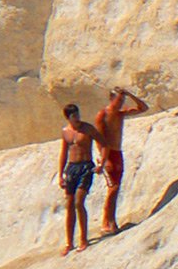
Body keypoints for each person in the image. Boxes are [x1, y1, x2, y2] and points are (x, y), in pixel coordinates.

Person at [94, 86, 149, 236]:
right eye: (119, 100)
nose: (120, 103)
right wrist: (104, 160)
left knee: (116, 187)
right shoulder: (103, 114)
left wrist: (130, 94)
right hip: (108, 153)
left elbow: (143, 108)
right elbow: (99, 138)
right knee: (112, 188)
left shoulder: (120, 114)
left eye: (122, 100)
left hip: (117, 152)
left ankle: (112, 221)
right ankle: (106, 222)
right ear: (112, 99)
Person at [56, 103, 103, 254]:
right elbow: (64, 153)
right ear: (68, 118)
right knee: (69, 204)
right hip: (72, 167)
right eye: (74, 116)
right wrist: (61, 174)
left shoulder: (87, 128)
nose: (77, 118)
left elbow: (101, 142)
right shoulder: (66, 132)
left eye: (78, 114)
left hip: (86, 167)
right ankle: (69, 242)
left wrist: (102, 161)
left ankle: (83, 239)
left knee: (78, 202)